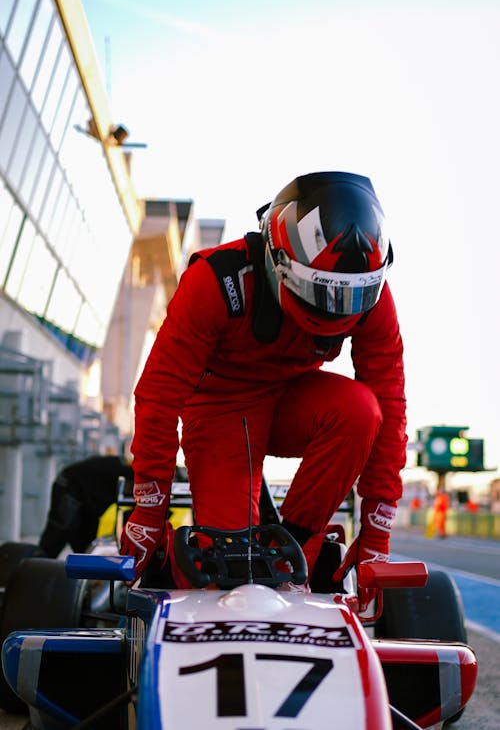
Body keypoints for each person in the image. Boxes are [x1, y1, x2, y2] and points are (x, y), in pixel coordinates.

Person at [120, 172, 407, 594]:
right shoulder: (214, 281)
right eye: (324, 292)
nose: (338, 309)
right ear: (279, 260)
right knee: (227, 576)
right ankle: (193, 566)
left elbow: (390, 403)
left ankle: (298, 550)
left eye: (350, 296)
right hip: (221, 409)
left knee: (363, 410)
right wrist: (149, 510)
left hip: (296, 401)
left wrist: (377, 530)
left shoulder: (373, 296)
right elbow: (158, 397)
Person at [38, 454, 134, 557]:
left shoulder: (130, 468)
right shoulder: (137, 474)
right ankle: (36, 567)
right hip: (70, 486)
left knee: (86, 546)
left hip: (87, 498)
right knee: (56, 537)